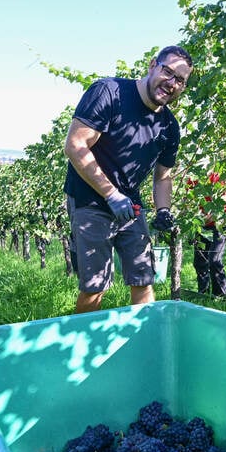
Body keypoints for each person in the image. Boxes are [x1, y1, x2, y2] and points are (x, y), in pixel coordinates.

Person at [63, 45, 193, 313]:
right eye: (168, 72)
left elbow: (163, 177)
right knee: (95, 286)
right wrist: (110, 194)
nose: (172, 83)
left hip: (129, 204)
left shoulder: (169, 127)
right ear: (152, 66)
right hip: (89, 197)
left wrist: (164, 210)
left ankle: (144, 341)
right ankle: (85, 349)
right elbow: (75, 145)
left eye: (180, 80)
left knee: (144, 278)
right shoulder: (109, 93)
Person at [191, 172, 226, 298]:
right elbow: (188, 200)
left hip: (220, 222)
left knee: (214, 260)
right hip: (202, 223)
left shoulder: (219, 176)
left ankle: (221, 296)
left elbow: (222, 205)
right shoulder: (193, 177)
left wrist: (204, 217)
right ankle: (203, 294)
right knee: (200, 261)